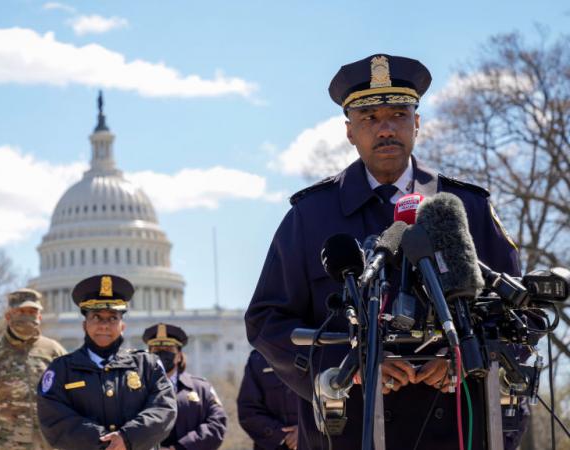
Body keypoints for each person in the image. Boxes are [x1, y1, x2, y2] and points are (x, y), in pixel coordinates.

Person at [244, 54, 522, 449]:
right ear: (349, 131)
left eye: (398, 114)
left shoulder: (466, 207)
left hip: (455, 427)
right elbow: (266, 321)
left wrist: (464, 363)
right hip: (349, 431)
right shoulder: (310, 216)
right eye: (370, 118)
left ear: (417, 123)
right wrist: (347, 366)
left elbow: (516, 317)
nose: (386, 129)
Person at [37, 274, 177, 450]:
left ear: (122, 326)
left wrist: (127, 438)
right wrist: (105, 443)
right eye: (96, 317)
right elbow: (53, 419)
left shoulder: (148, 366)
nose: (104, 325)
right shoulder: (61, 370)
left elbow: (164, 410)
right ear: (84, 325)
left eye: (112, 318)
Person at [0, 288, 66, 449]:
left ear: (39, 316)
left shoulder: (54, 353)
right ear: (8, 316)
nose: (26, 316)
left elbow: (72, 398)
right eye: (21, 311)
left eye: (32, 311)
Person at [142, 323, 227, 450]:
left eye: (168, 350)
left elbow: (217, 425)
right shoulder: (134, 389)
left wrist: (181, 448)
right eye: (157, 350)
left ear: (179, 356)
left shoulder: (201, 388)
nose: (162, 354)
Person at [237, 350, 299, 450]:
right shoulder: (258, 358)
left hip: (318, 444)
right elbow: (248, 410)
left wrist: (308, 432)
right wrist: (282, 435)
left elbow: (331, 406)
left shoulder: (322, 352)